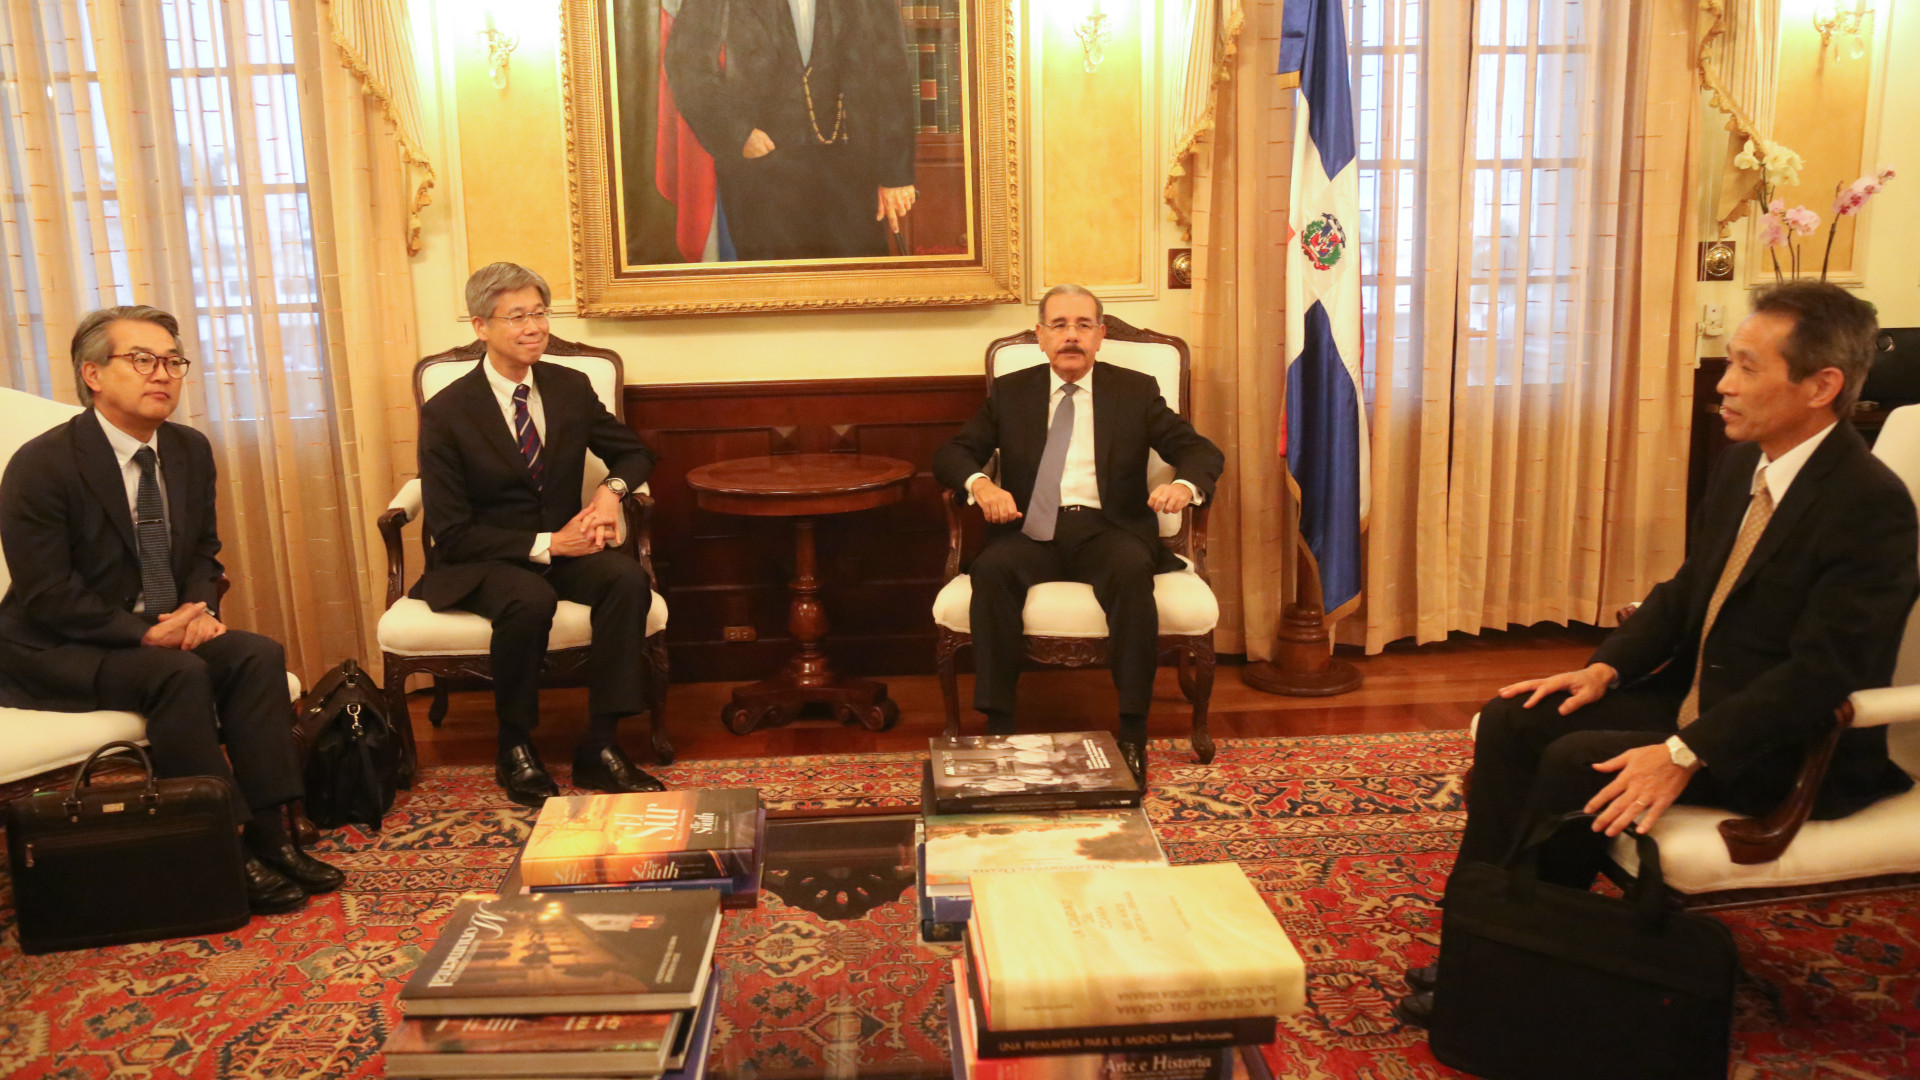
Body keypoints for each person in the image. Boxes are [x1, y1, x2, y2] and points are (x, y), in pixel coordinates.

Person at [1394, 281, 1920, 1026]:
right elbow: (1687, 591)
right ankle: (1476, 943)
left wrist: (1683, 752)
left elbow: (1820, 674)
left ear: (1821, 386)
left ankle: (1518, 970)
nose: (1724, 384)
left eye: (1746, 367)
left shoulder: (1870, 506)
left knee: (1577, 760)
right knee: (1517, 717)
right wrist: (1604, 667)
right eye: (1728, 363)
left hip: (1784, 744)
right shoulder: (1743, 466)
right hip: (1701, 698)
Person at [0, 305, 343, 916]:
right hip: (56, 646)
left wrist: (197, 608)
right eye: (142, 360)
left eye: (172, 361)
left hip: (157, 627)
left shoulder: (188, 449)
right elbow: (47, 593)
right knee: (179, 674)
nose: (162, 374)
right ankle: (223, 845)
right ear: (93, 374)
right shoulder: (43, 464)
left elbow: (203, 550)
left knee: (256, 655)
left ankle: (273, 835)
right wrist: (145, 635)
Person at [931, 284, 1226, 785]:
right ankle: (999, 729)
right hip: (1031, 528)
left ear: (1100, 335)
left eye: (1083, 325)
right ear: (1041, 336)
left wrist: (1183, 485)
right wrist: (981, 485)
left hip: (1109, 529)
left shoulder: (1135, 391)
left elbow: (1200, 451)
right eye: (1060, 325)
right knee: (992, 571)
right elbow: (953, 453)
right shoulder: (1012, 392)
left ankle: (1131, 733)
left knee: (1131, 573)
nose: (1072, 335)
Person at [412, 263, 665, 808]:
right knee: (529, 597)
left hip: (564, 547)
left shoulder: (569, 387)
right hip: (483, 558)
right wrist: (548, 544)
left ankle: (601, 744)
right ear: (481, 326)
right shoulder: (447, 412)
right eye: (517, 316)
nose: (534, 327)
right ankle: (515, 743)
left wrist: (610, 492)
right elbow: (451, 530)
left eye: (540, 313)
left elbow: (635, 452)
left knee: (625, 579)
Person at [663, 0, 917, 261]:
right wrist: (737, 134)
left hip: (853, 172)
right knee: (774, 284)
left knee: (854, 281)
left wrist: (895, 173)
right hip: (762, 175)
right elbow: (686, 62)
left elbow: (891, 68)